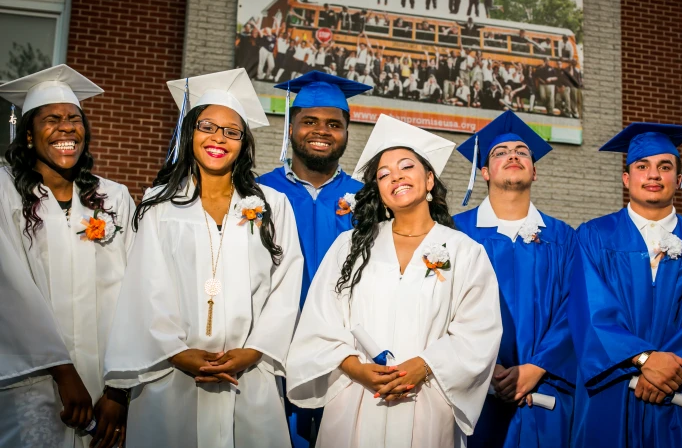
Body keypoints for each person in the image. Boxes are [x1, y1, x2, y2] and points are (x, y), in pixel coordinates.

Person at [103, 69, 303, 448]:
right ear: (190, 132)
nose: (218, 138)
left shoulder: (271, 205)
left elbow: (286, 282)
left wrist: (255, 349)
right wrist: (177, 351)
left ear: (244, 143)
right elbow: (144, 285)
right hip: (172, 371)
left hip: (249, 373)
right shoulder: (160, 203)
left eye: (232, 131)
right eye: (208, 126)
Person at [285, 114, 502, 447]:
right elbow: (320, 320)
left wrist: (424, 364)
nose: (395, 177)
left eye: (406, 167)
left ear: (429, 180)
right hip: (356, 396)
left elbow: (478, 330)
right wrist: (355, 367)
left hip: (428, 396)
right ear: (379, 191)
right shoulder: (350, 246)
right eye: (383, 174)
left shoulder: (463, 251)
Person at [569, 123, 682, 448]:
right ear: (627, 178)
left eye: (665, 166)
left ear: (678, 176)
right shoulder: (593, 236)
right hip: (615, 391)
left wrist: (665, 371)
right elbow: (589, 312)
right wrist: (644, 360)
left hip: (680, 391)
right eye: (642, 166)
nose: (654, 175)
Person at [0, 65, 135, 448]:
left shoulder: (113, 198)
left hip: (105, 384)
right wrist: (62, 371)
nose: (66, 128)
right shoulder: (4, 192)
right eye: (52, 119)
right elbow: (9, 290)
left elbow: (134, 294)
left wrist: (118, 391)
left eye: (74, 119)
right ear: (28, 134)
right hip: (32, 379)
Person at [257, 71, 372, 448]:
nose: (321, 131)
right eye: (309, 121)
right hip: (269, 351)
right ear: (291, 128)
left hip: (343, 357)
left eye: (333, 124)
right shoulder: (257, 192)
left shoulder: (370, 200)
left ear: (346, 134)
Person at [453, 111, 577, 448]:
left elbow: (576, 308)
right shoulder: (453, 232)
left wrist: (538, 366)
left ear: (534, 171)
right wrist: (487, 369)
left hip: (546, 391)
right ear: (484, 172)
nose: (512, 155)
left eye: (522, 151)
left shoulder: (564, 238)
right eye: (500, 152)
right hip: (471, 391)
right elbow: (439, 308)